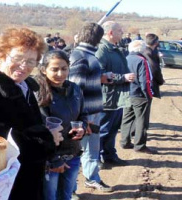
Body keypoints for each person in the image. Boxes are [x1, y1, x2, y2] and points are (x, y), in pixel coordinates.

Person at [0, 28, 62, 200]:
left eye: (31, 62)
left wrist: (44, 132)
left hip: (28, 177)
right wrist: (47, 139)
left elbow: (26, 127)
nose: (24, 67)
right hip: (5, 185)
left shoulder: (23, 86)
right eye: (18, 58)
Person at [35, 50, 86, 200]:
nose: (60, 74)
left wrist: (81, 127)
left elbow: (83, 113)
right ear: (44, 70)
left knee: (66, 195)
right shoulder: (39, 92)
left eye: (64, 69)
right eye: (54, 69)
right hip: (51, 158)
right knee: (50, 196)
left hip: (73, 152)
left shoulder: (75, 89)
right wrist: (54, 158)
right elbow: (41, 128)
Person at [68, 22, 113, 192]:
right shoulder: (80, 56)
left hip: (93, 112)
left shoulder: (89, 55)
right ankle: (70, 189)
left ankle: (92, 178)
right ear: (99, 38)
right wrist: (81, 118)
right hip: (83, 114)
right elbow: (75, 89)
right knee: (75, 152)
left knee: (92, 149)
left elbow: (85, 81)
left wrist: (101, 77)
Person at [95, 21, 134, 168]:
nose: (122, 33)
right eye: (119, 31)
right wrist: (122, 78)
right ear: (110, 32)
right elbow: (98, 74)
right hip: (107, 97)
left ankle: (110, 155)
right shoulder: (102, 50)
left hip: (117, 97)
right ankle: (96, 158)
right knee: (103, 130)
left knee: (112, 130)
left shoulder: (114, 48)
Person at [120, 40, 157, 154]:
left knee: (126, 118)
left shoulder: (124, 59)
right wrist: (149, 95)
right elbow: (145, 80)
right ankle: (140, 145)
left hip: (127, 93)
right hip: (139, 95)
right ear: (141, 49)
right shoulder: (141, 61)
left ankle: (124, 142)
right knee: (141, 120)